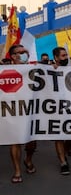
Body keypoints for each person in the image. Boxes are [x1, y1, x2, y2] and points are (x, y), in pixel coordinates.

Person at [8, 45, 37, 183]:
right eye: (20, 52)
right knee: (15, 141)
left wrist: (53, 68)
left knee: (31, 143)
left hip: (31, 111)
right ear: (13, 56)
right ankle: (17, 170)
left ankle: (28, 159)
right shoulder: (5, 71)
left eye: (25, 51)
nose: (25, 54)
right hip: (12, 112)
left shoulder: (35, 69)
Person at [52, 47, 71, 175]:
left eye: (66, 55)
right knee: (59, 135)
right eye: (63, 56)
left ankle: (65, 152)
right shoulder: (49, 70)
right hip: (56, 108)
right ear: (56, 58)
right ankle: (63, 162)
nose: (66, 58)